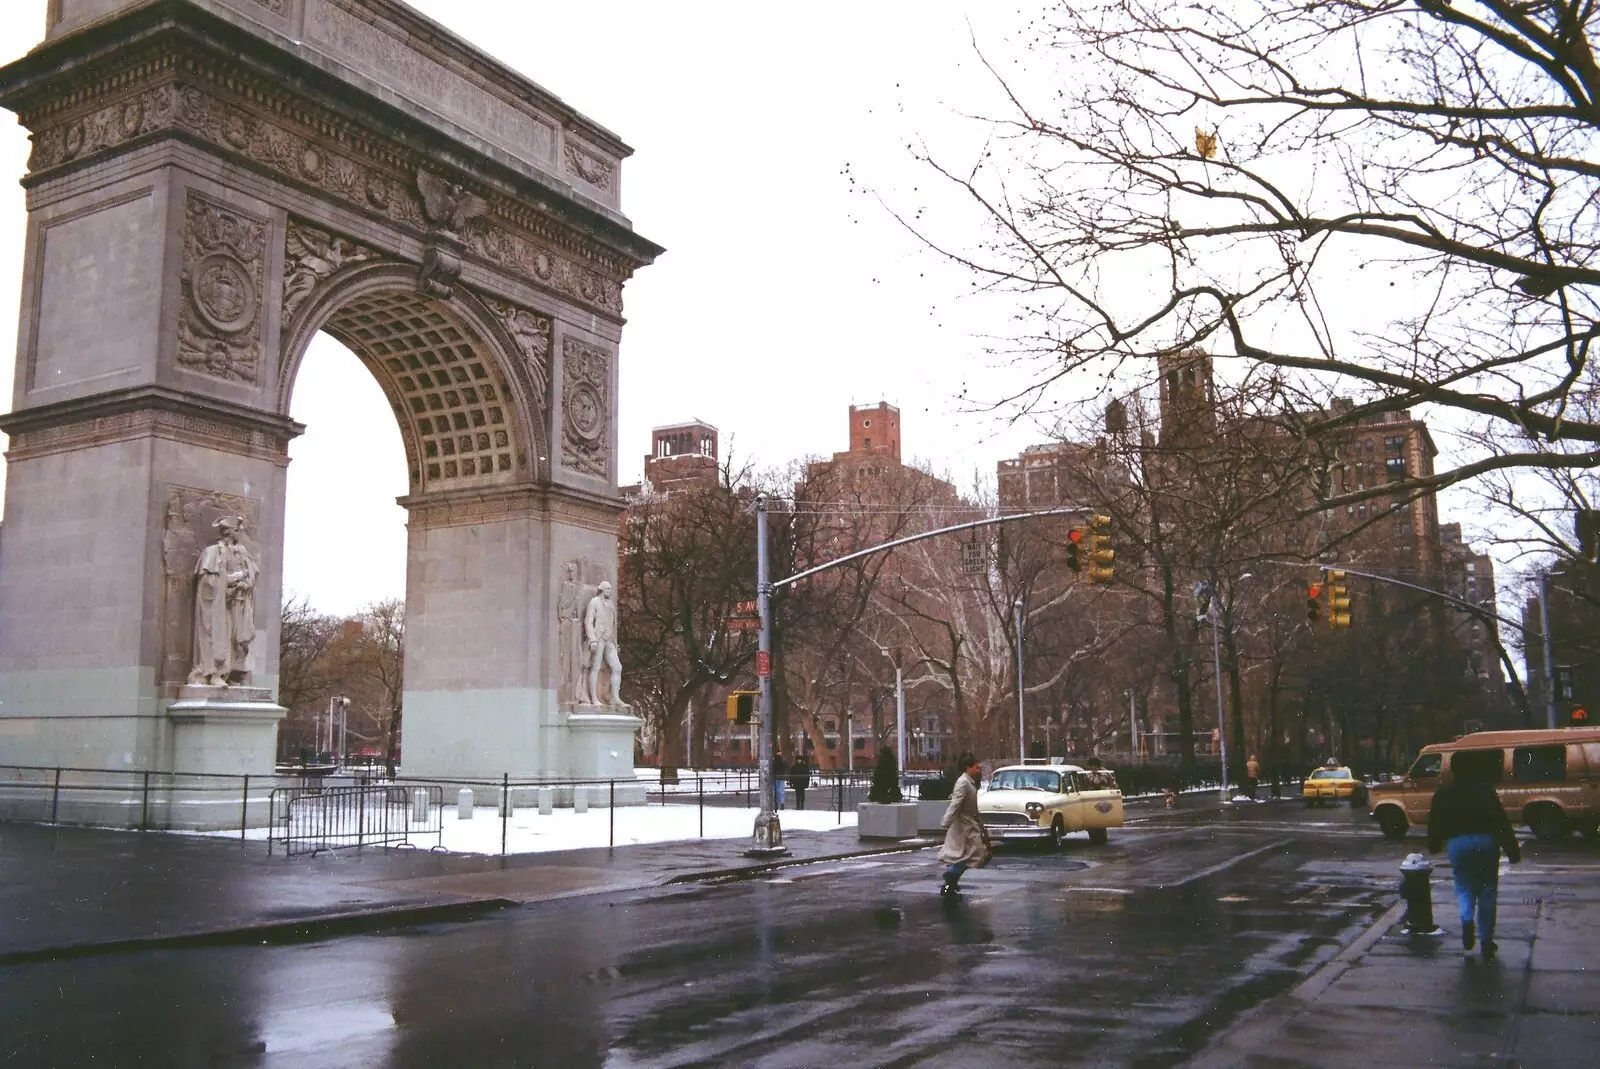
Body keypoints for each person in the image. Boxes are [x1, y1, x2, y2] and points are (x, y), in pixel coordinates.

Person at [1427, 749, 1521, 961]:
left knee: (1463, 886)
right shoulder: (1485, 790)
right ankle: (1487, 941)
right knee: (1488, 891)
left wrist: (1434, 844)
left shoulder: (1444, 793)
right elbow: (1500, 821)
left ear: (1453, 769)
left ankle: (1467, 919)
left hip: (1457, 842)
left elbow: (1435, 822)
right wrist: (1512, 849)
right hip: (1486, 841)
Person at [937, 754, 991, 896]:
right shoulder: (963, 783)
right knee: (976, 853)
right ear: (968, 767)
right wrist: (946, 821)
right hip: (964, 826)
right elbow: (956, 804)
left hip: (970, 824)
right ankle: (951, 878)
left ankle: (951, 882)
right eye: (976, 767)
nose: (979, 769)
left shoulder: (969, 781)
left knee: (969, 855)